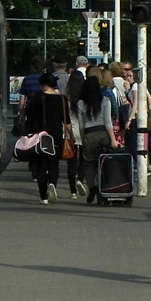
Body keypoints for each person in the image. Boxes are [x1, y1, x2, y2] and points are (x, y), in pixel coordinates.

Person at [25, 72, 69, 205]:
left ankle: (43, 196)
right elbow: (66, 121)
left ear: (43, 84)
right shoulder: (62, 99)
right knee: (54, 163)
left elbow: (29, 115)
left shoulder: (38, 97)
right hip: (56, 135)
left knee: (41, 165)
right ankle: (52, 184)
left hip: (40, 135)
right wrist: (70, 135)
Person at [76, 75, 116, 204]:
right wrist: (113, 140)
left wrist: (83, 138)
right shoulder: (105, 100)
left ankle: (92, 186)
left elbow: (81, 125)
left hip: (89, 134)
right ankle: (104, 188)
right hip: (103, 133)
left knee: (89, 163)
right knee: (104, 162)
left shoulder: (81, 103)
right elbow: (108, 122)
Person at [63, 56, 89, 198]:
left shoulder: (66, 98)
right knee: (84, 159)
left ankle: (72, 191)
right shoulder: (84, 99)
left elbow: (65, 118)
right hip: (83, 131)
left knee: (71, 161)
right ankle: (80, 179)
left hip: (70, 131)